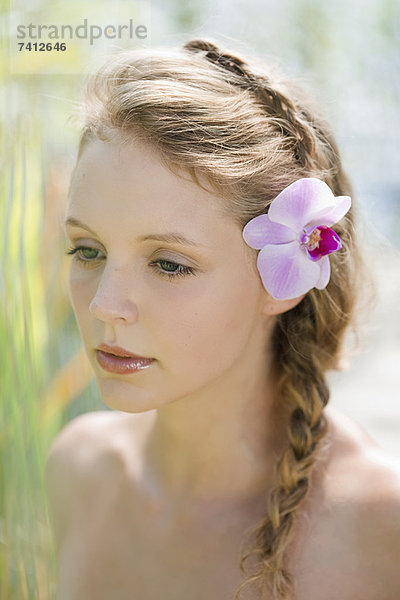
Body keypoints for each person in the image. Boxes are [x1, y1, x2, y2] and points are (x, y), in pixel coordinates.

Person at [45, 37, 400, 600]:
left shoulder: (380, 528)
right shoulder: (78, 472)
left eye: (168, 263)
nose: (103, 305)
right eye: (87, 250)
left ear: (283, 278)